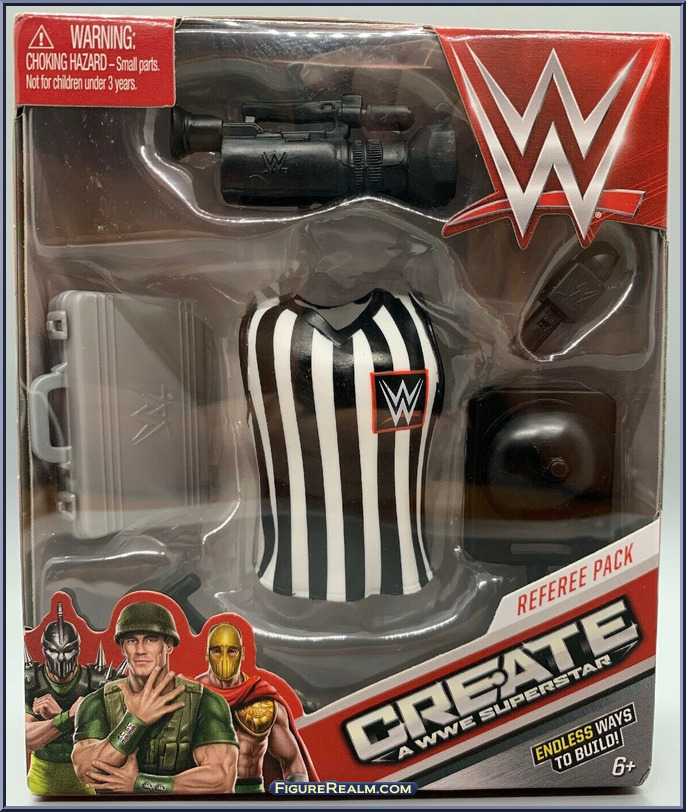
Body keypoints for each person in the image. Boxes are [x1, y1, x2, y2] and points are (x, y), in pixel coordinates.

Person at [71, 601, 239, 794]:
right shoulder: (97, 702)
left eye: (150, 640)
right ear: (123, 648)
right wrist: (135, 721)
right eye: (132, 641)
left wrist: (140, 784)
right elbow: (87, 771)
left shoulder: (205, 702)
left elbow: (222, 779)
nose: (140, 650)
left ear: (168, 645)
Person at [195, 622, 317, 793]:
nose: (224, 658)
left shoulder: (261, 698)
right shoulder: (191, 697)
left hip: (251, 792)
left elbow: (292, 761)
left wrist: (296, 798)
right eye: (216, 650)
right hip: (205, 795)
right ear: (207, 654)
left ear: (242, 653)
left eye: (232, 650)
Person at [25, 602, 112, 795]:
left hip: (85, 781)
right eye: (55, 651)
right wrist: (70, 718)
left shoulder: (96, 682)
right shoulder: (31, 681)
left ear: (77, 649)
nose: (61, 658)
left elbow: (105, 740)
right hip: (40, 782)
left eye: (67, 651)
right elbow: (27, 739)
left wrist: (54, 722)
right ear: (44, 649)